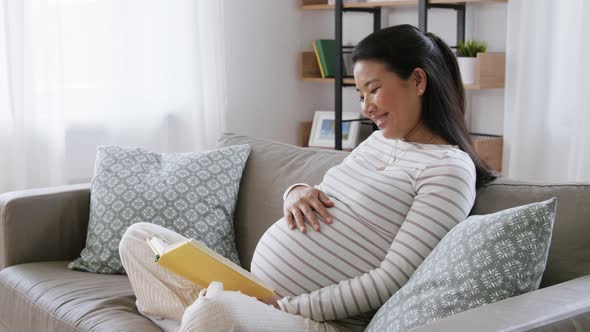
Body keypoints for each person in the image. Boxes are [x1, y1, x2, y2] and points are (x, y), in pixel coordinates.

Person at [119, 24, 496, 332]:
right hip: (258, 294)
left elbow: (390, 279)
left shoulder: (448, 170)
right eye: (360, 94)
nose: (366, 107)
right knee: (139, 238)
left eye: (375, 89)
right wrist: (295, 192)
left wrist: (283, 306)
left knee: (213, 313)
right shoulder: (379, 142)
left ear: (417, 81)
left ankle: (201, 317)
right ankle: (205, 317)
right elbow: (326, 196)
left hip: (313, 319)